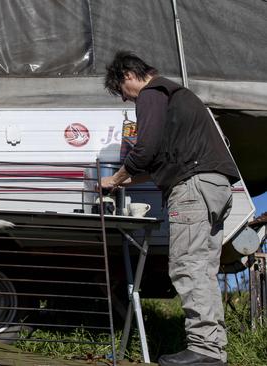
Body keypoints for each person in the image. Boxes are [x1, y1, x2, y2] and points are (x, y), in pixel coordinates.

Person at [101, 51, 239, 366]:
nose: (125, 100)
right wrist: (125, 182)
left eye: (121, 92)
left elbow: (144, 149)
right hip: (216, 187)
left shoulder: (151, 93)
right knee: (204, 271)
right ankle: (214, 351)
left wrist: (116, 176)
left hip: (192, 188)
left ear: (128, 76)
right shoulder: (177, 96)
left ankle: (203, 350)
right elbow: (161, 160)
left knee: (187, 266)